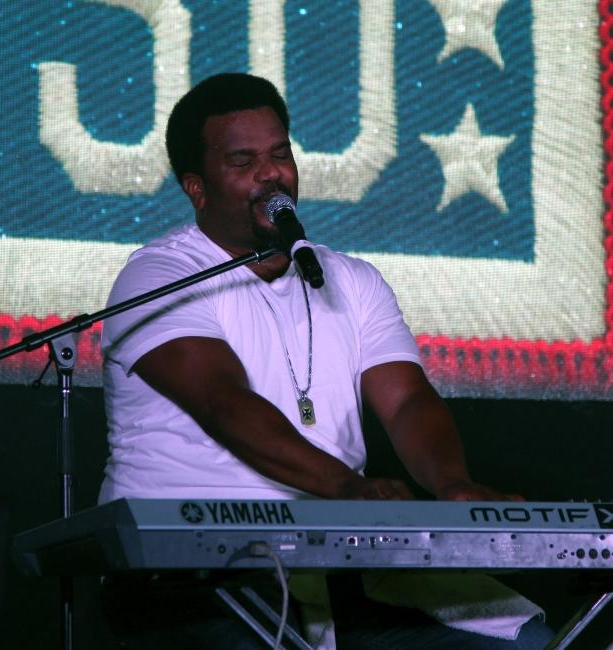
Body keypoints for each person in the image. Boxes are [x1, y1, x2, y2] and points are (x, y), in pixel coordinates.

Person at [99, 73, 554, 649]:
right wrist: (345, 487)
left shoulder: (351, 280)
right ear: (196, 186)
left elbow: (408, 399)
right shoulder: (160, 275)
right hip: (187, 577)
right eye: (244, 160)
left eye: (280, 153)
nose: (271, 173)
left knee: (526, 641)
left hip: (340, 554)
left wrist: (452, 483)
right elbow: (223, 401)